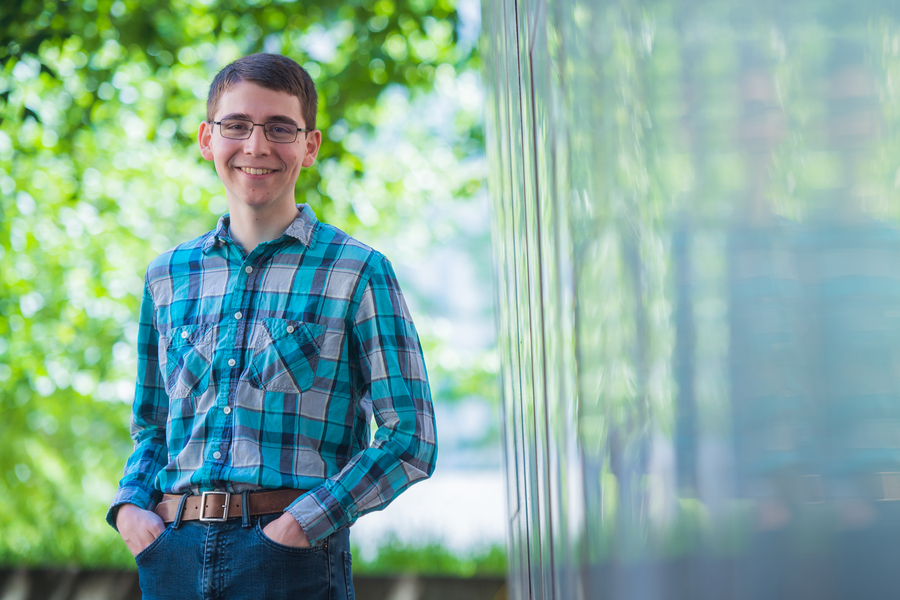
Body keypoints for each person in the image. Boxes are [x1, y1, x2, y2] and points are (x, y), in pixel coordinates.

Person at [106, 53, 438, 600]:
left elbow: (411, 440)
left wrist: (299, 524)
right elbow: (152, 426)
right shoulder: (167, 275)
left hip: (292, 561)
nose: (256, 146)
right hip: (170, 555)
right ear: (207, 138)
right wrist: (130, 509)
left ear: (309, 146)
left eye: (280, 128)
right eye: (236, 125)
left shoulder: (356, 272)